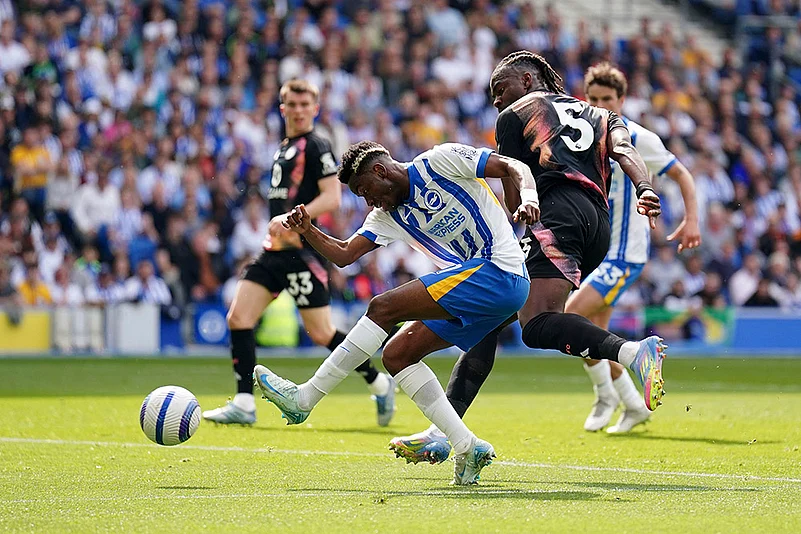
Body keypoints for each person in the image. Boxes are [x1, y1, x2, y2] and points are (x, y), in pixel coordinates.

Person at [389, 51, 666, 465]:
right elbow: (626, 150)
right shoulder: (599, 114)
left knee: (535, 323)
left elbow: (514, 180)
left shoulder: (518, 113)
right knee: (491, 312)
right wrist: (644, 186)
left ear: (527, 78)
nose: (497, 101)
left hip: (556, 214)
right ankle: (444, 430)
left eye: (501, 90)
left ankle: (631, 354)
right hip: (597, 225)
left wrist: (509, 233)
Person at [253, 140, 539, 484]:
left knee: (382, 307)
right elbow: (344, 254)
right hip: (481, 289)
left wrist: (529, 198)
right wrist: (308, 230)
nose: (369, 201)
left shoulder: (439, 161)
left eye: (365, 191)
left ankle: (305, 398)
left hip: (501, 272)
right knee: (397, 354)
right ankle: (466, 446)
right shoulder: (387, 215)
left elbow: (511, 165)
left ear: (380, 171)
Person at [202, 80, 392, 427]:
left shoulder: (317, 145)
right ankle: (244, 402)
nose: (300, 110)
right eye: (294, 104)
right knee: (238, 318)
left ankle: (378, 382)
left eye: (307, 105)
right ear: (283, 109)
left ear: (315, 109)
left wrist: (292, 220)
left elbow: (332, 198)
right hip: (274, 252)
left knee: (321, 333)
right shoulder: (284, 147)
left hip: (302, 254)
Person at [569, 62, 701, 434]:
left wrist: (691, 219)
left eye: (607, 99)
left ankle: (605, 396)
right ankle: (629, 402)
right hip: (591, 253)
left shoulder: (641, 139)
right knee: (596, 336)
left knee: (569, 317)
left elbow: (682, 175)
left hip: (624, 253)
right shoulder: (582, 137)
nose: (600, 104)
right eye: (593, 98)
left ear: (622, 100)